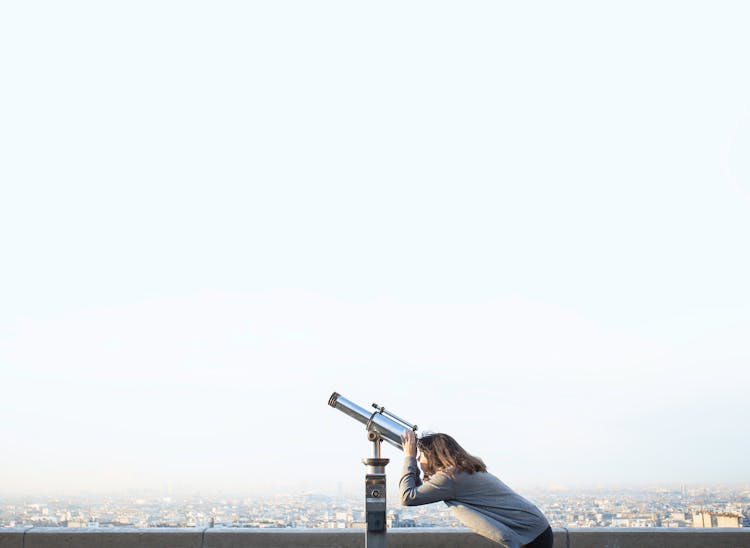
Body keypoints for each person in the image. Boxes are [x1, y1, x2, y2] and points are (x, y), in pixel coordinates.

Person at [399, 430, 553, 548]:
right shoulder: (460, 471)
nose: (419, 459)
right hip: (536, 530)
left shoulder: (450, 477)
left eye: (421, 455)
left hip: (530, 536)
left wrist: (409, 457)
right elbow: (419, 493)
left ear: (433, 455)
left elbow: (408, 497)